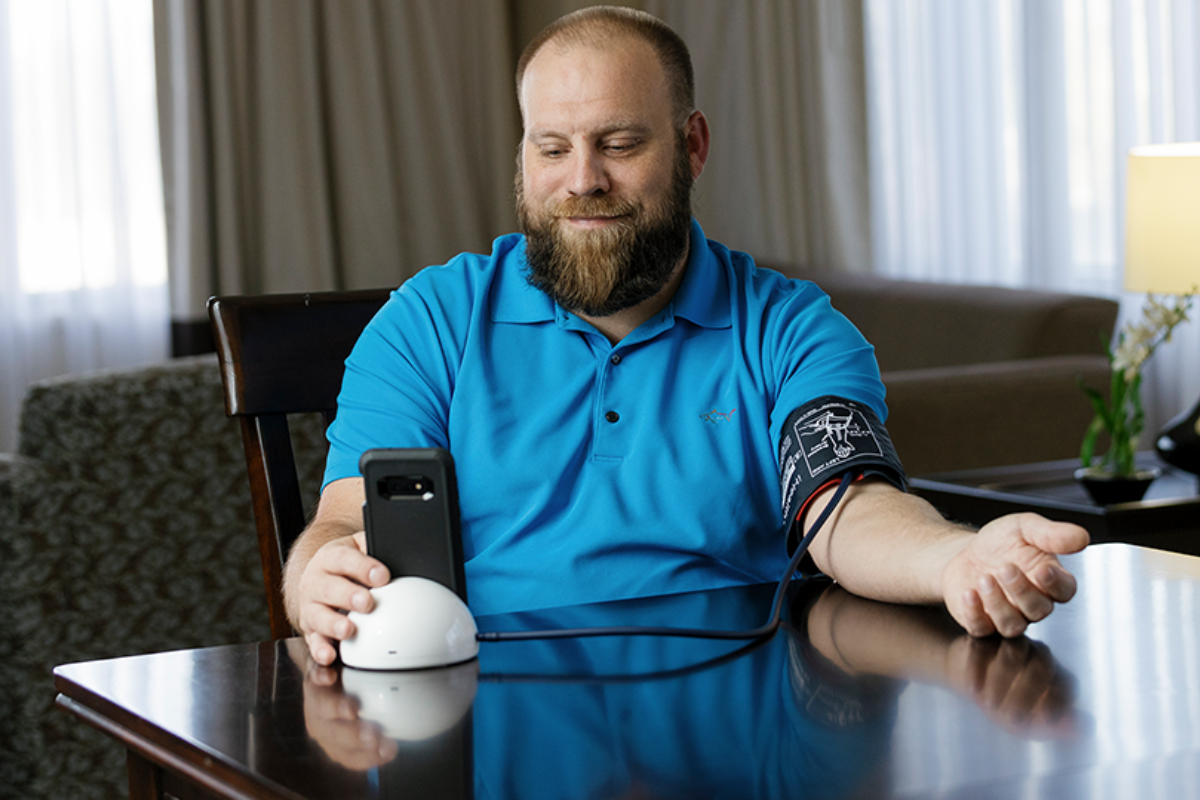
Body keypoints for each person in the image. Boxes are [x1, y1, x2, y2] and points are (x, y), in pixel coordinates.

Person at [286, 6, 1089, 667]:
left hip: (734, 703)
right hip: (479, 707)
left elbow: (848, 511)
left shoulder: (793, 330)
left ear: (692, 145)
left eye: (620, 143)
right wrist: (317, 577)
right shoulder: (429, 318)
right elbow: (343, 526)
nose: (582, 180)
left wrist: (956, 560)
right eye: (552, 147)